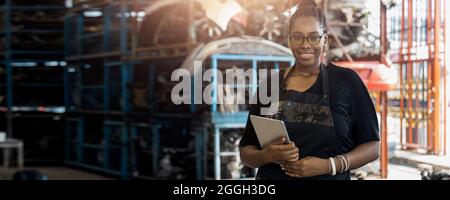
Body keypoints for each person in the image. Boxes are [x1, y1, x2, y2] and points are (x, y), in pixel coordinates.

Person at [239, 0, 380, 180]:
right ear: (289, 40)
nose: (305, 44)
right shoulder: (270, 85)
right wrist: (266, 155)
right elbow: (246, 151)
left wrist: (329, 165)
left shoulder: (346, 81)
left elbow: (372, 147)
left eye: (313, 37)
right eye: (297, 37)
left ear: (325, 39)